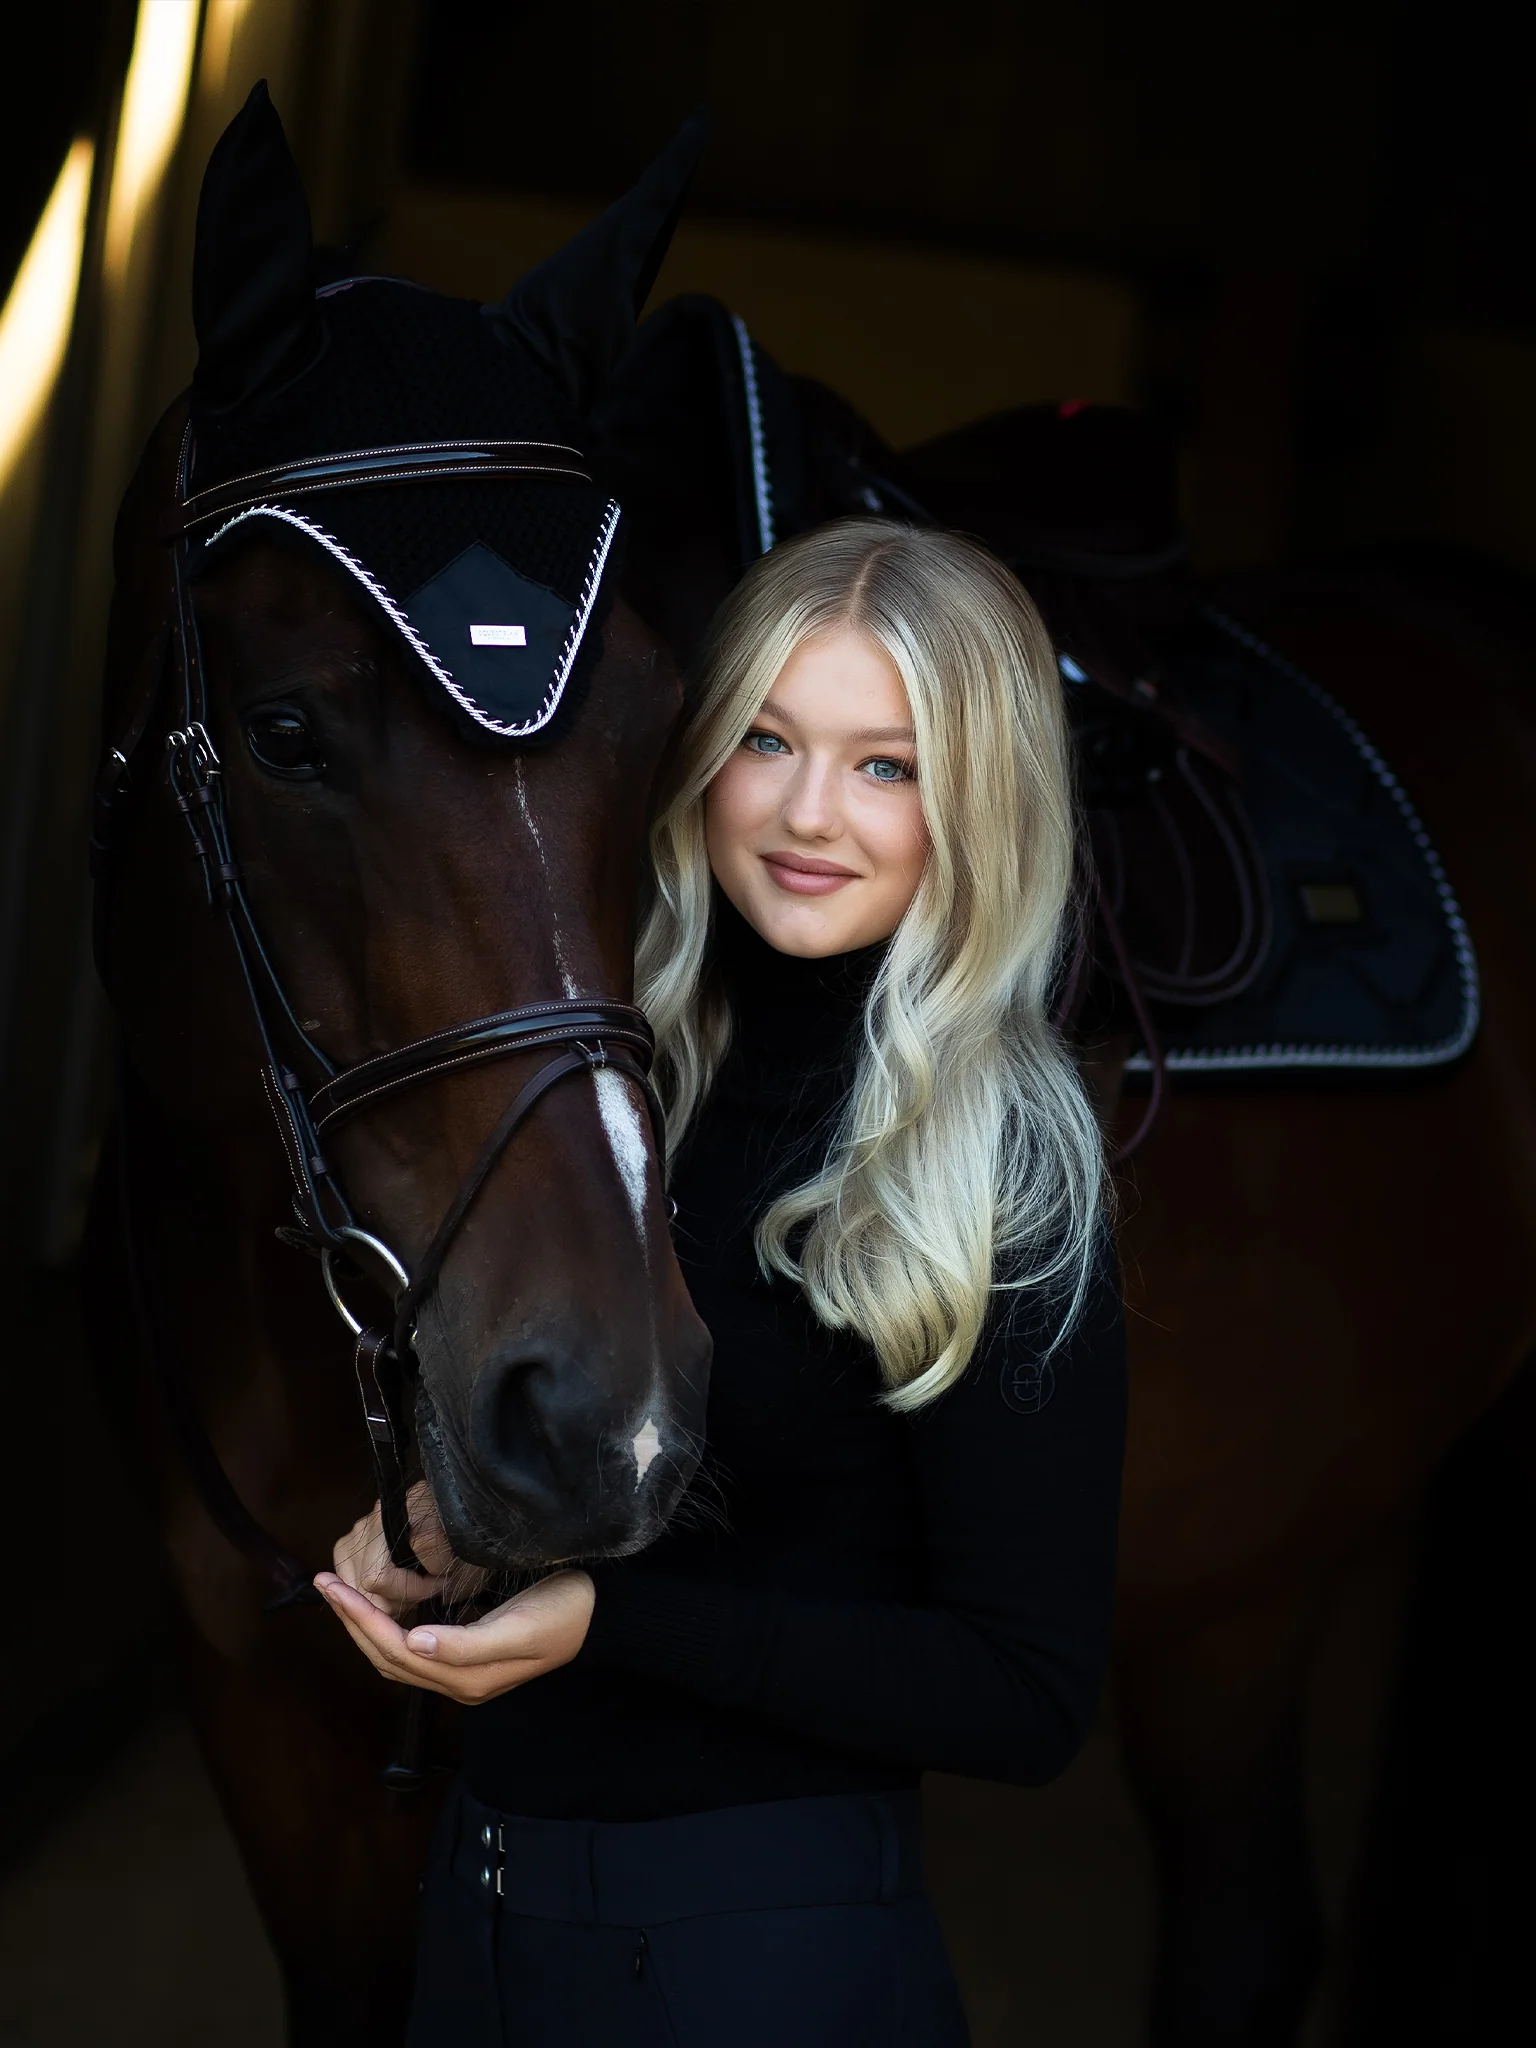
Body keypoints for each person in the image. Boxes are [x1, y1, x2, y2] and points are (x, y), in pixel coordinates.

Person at [315, 518, 1127, 2046]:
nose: (810, 812)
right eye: (767, 740)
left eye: (888, 764)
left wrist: (605, 1625)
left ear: (983, 802)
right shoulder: (605, 1086)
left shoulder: (1003, 1168)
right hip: (483, 1913)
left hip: (766, 1963)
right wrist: (455, 1536)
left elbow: (1026, 1694)